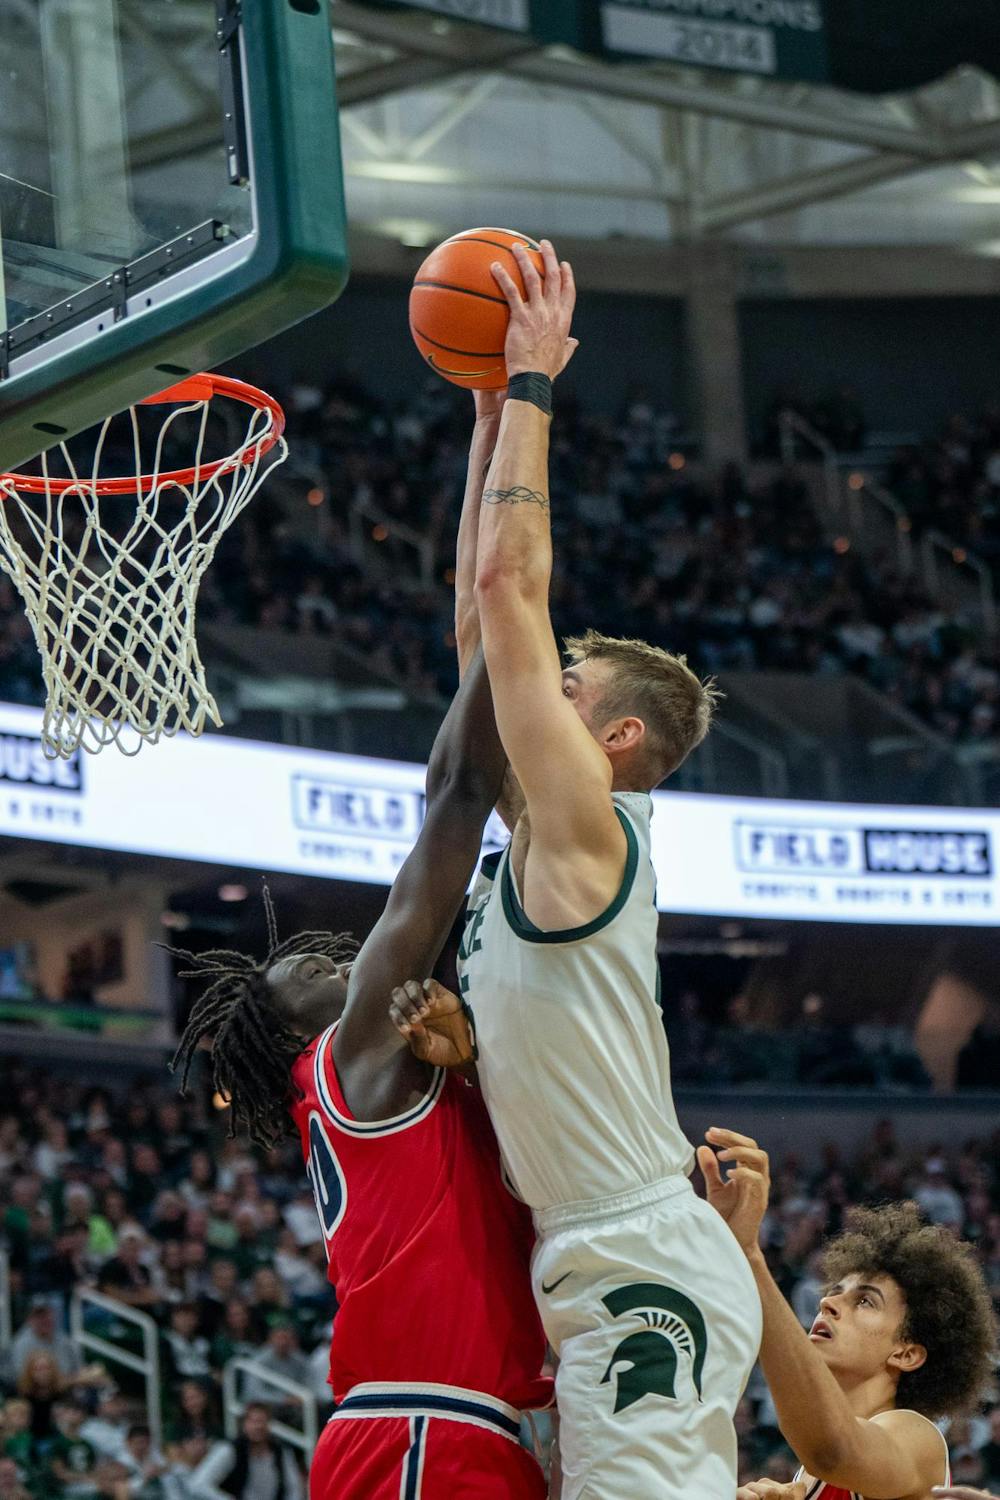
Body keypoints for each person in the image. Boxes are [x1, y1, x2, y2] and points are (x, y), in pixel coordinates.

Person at [400, 238, 760, 1499]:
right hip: (588, 1249)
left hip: (638, 1259)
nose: (528, 692)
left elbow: (509, 586)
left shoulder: (590, 830)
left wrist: (539, 385)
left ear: (613, 740)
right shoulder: (535, 835)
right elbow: (474, 625)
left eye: (560, 685)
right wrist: (490, 412)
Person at [171, 560, 552, 1490]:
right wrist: (504, 616)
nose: (340, 962)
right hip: (424, 1423)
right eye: (310, 971)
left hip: (441, 1421)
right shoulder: (347, 1059)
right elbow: (458, 797)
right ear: (290, 1027)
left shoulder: (371, 1078)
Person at [700, 1127, 995, 1500]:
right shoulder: (807, 1474)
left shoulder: (917, 1436)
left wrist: (748, 1253)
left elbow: (834, 1450)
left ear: (906, 1352)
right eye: (835, 1292)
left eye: (865, 1301)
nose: (828, 1303)